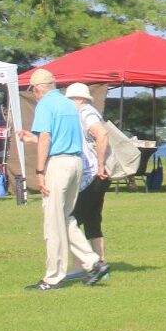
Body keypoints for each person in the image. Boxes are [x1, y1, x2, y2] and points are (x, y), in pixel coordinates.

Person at [25, 69, 107, 290]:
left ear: (38, 88)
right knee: (65, 217)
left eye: (33, 90)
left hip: (59, 164)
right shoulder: (68, 105)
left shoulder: (45, 105)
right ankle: (93, 262)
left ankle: (53, 277)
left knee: (53, 223)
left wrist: (39, 171)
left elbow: (46, 138)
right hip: (76, 163)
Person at [68, 82, 111, 267]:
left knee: (72, 221)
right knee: (93, 221)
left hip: (93, 175)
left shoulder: (86, 113)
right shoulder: (87, 112)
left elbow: (102, 134)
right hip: (97, 176)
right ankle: (100, 261)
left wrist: (100, 165)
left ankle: (83, 264)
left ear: (78, 99)